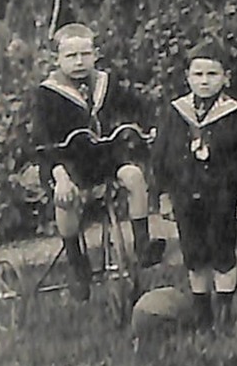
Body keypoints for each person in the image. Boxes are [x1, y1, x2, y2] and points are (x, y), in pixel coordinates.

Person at [30, 23, 161, 301]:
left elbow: (136, 105)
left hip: (103, 156)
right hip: (65, 164)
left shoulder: (104, 83)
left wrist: (148, 125)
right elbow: (42, 138)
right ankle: (77, 264)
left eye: (85, 54)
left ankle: (143, 244)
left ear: (95, 54)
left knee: (135, 177)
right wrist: (61, 175)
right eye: (71, 56)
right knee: (64, 199)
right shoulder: (47, 93)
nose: (79, 62)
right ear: (58, 59)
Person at [151, 39, 237, 332]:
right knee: (194, 251)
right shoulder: (175, 113)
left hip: (222, 193)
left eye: (212, 74)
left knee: (222, 249)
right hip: (185, 192)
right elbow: (160, 155)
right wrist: (162, 195)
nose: (204, 81)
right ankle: (203, 312)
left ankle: (225, 310)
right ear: (187, 76)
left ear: (225, 77)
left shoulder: (236, 114)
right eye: (198, 74)